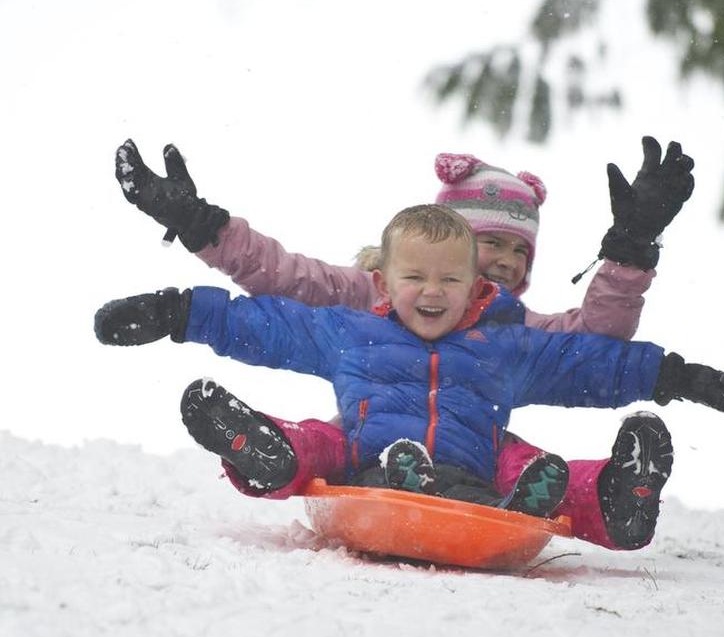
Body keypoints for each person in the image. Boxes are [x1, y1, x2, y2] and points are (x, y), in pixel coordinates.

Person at [114, 136, 694, 547]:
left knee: (525, 463)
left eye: (521, 251)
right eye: (492, 243)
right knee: (323, 441)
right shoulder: (367, 299)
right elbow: (280, 281)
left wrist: (630, 250)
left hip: (475, 454)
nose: (509, 262)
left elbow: (594, 351)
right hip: (369, 441)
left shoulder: (510, 332)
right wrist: (200, 230)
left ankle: (617, 496)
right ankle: (268, 448)